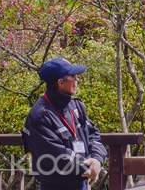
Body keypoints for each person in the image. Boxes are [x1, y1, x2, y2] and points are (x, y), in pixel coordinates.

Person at [23, 57, 106, 190]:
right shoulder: (40, 116)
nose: (77, 80)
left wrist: (96, 160)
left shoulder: (76, 106)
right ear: (60, 82)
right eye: (73, 76)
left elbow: (93, 135)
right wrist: (88, 168)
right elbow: (57, 156)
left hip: (81, 182)